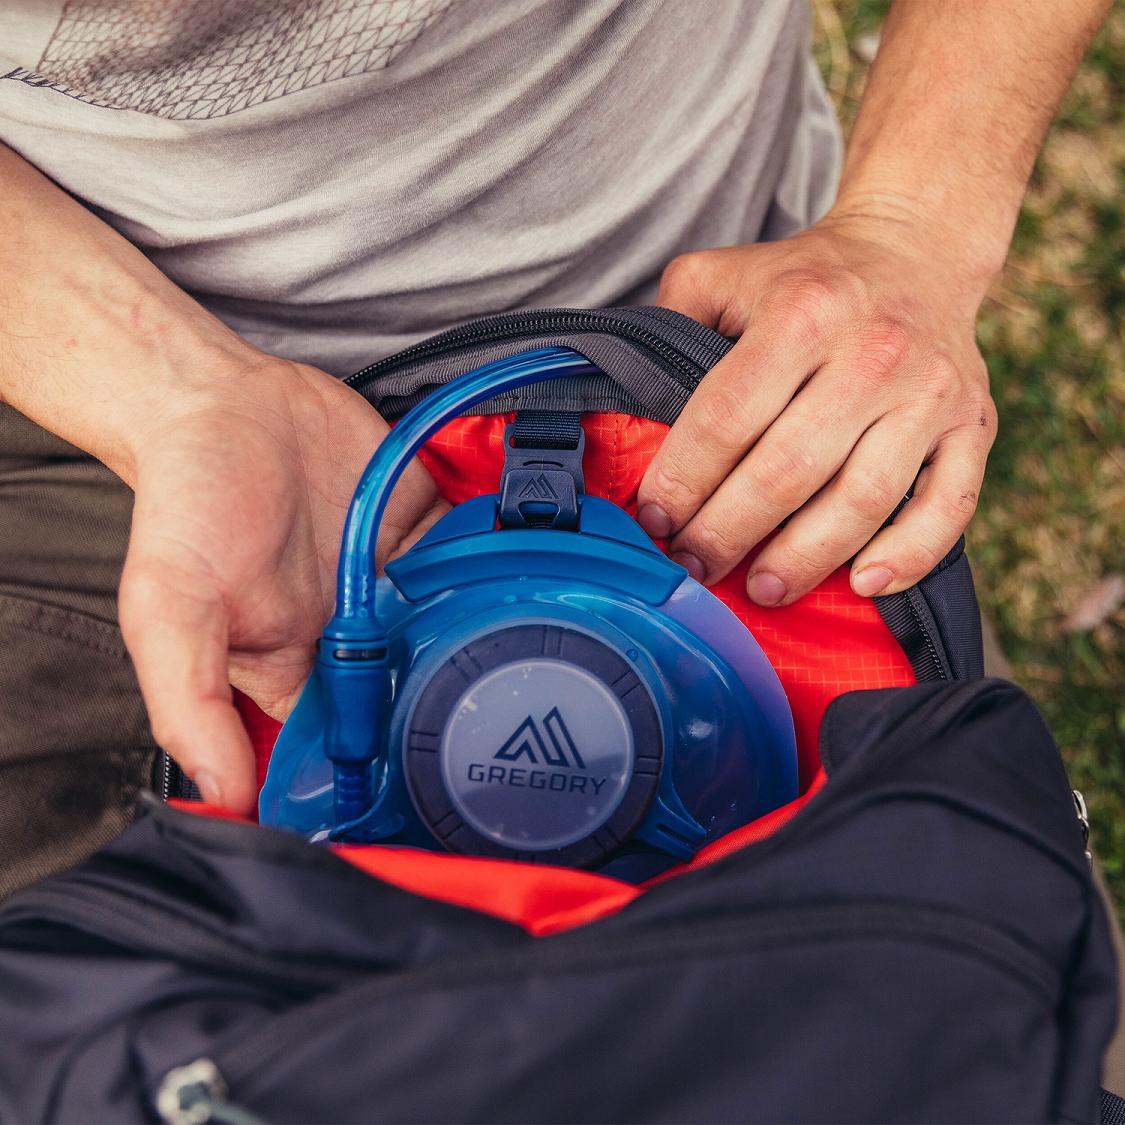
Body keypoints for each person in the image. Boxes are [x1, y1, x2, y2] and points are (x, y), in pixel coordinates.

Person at [0, 0, 1109, 894]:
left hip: (722, 387)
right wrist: (171, 391)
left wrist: (911, 228)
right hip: (113, 403)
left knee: (1000, 1010)